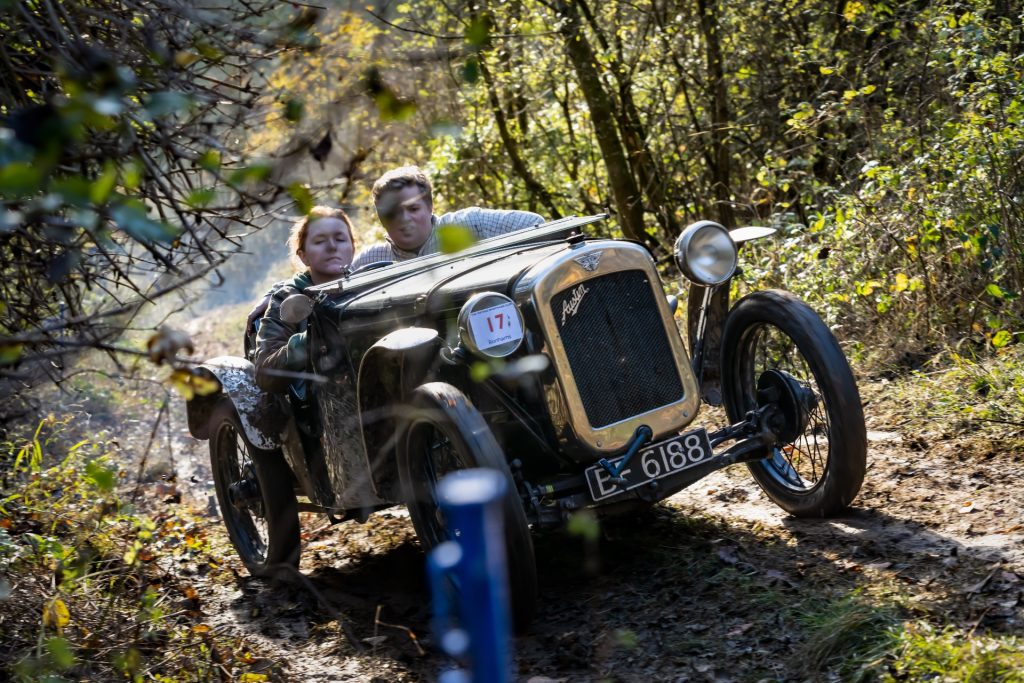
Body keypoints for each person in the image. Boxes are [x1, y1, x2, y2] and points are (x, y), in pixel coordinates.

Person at [349, 165, 544, 270]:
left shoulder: (470, 224)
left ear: (430, 207)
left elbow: (536, 225)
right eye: (393, 212)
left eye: (413, 208)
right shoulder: (369, 262)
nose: (404, 219)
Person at [254, 206, 355, 393]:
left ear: (353, 247)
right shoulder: (287, 298)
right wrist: (312, 339)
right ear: (303, 256)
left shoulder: (372, 287)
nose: (332, 246)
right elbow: (264, 375)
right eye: (319, 241)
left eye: (340, 239)